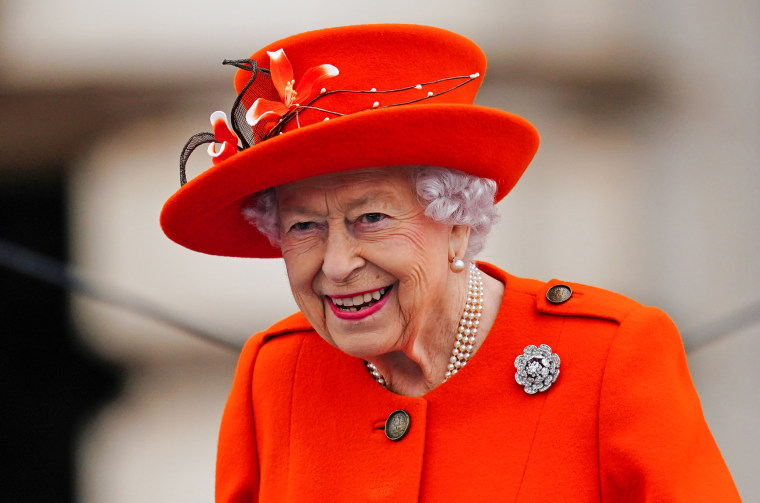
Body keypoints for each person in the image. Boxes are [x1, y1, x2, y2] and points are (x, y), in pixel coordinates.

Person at [160, 24, 740, 502]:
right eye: (304, 226)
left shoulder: (610, 357)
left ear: (458, 221)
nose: (336, 265)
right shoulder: (273, 374)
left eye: (372, 219)